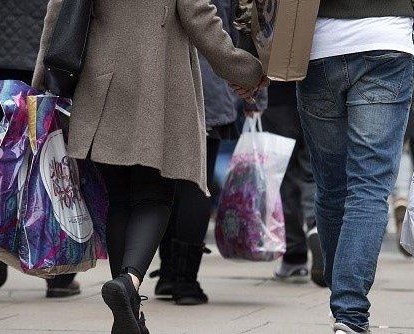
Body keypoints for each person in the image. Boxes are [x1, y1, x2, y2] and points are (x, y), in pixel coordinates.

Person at [33, 0, 265, 332]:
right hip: (159, 84)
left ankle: (128, 316)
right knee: (154, 195)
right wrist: (247, 70)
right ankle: (129, 281)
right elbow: (199, 17)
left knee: (120, 199)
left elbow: (58, 11)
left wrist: (42, 77)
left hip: (101, 83)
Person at [235, 0, 414, 333]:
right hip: (387, 43)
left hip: (318, 46)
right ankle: (350, 311)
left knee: (330, 185)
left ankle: (342, 289)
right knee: (369, 186)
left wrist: (250, 50)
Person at [0, 0, 80, 298]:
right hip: (54, 50)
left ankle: (0, 234)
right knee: (50, 156)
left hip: (4, 55)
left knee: (9, 155)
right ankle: (57, 272)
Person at [150, 0, 267, 306]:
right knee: (196, 182)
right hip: (213, 86)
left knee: (166, 180)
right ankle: (185, 282)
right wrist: (256, 89)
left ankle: (166, 273)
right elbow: (248, 24)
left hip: (162, 82)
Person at [260, 81, 323, 287]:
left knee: (282, 174)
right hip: (318, 90)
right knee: (313, 170)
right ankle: (317, 227)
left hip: (276, 93)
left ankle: (294, 257)